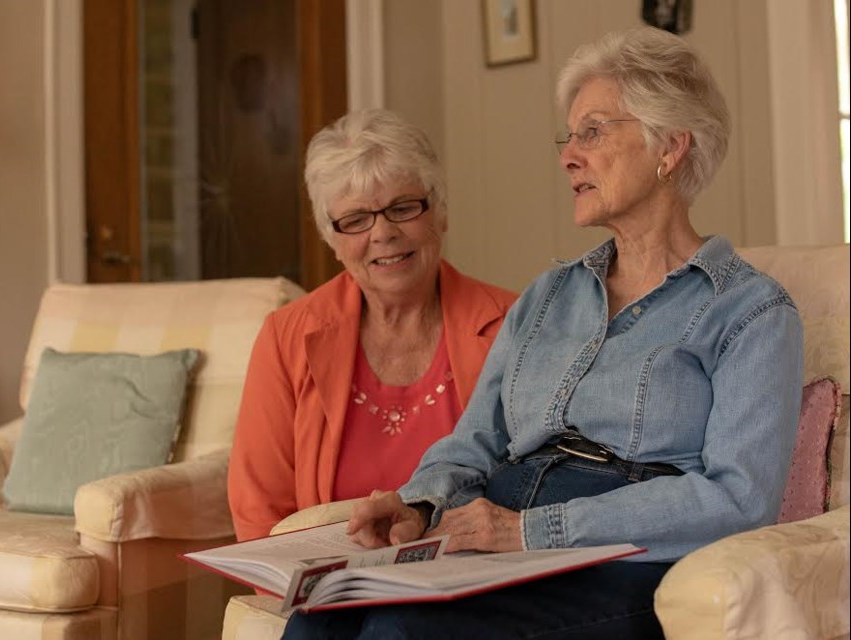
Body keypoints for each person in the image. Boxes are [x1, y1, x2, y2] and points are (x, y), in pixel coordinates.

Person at [283, 27, 803, 639]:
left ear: (669, 148)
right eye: (570, 135)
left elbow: (738, 501)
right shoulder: (548, 296)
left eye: (593, 131)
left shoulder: (751, 310)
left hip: (622, 562)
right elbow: (475, 442)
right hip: (502, 536)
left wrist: (528, 531)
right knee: (319, 616)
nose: (568, 155)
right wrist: (418, 503)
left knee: (403, 630)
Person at [227, 109, 518, 542]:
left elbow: (534, 483)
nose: (383, 233)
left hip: (472, 577)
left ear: (439, 212)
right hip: (328, 583)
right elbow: (259, 511)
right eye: (357, 220)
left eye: (402, 208)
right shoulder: (286, 337)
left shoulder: (512, 325)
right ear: (333, 238)